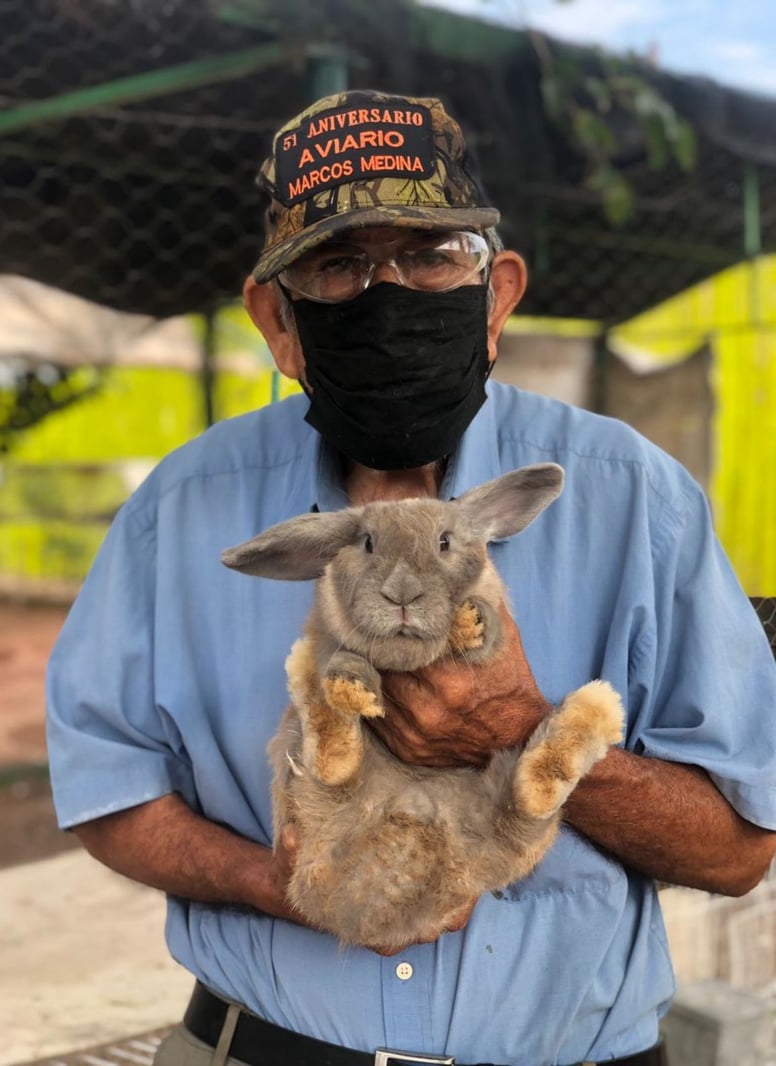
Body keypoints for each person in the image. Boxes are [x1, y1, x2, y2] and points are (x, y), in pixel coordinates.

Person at [46, 90, 776, 1066]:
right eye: (338, 266)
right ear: (277, 319)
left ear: (498, 292)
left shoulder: (633, 499)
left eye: (432, 256)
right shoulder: (183, 509)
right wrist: (283, 882)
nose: (387, 299)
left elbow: (738, 845)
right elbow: (106, 784)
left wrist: (515, 728)